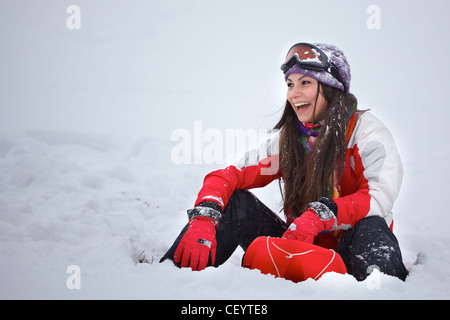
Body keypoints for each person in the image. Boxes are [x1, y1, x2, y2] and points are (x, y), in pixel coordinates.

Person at [160, 42, 408, 281]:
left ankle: (383, 290)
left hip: (350, 259)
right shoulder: (291, 142)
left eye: (305, 83)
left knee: (373, 226)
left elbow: (377, 198)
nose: (294, 93)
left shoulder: (369, 135)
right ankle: (170, 278)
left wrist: (320, 216)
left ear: (331, 89)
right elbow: (229, 175)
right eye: (290, 84)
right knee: (235, 203)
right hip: (296, 248)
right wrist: (205, 217)